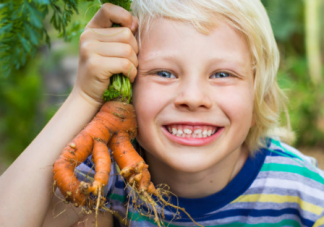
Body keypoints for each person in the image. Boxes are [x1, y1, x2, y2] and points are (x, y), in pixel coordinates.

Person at [0, 0, 324, 226]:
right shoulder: (109, 179)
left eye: (222, 74)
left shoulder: (300, 190)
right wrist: (83, 97)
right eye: (164, 73)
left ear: (259, 101)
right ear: (126, 93)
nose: (193, 98)